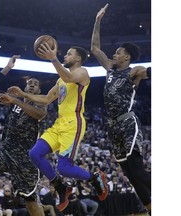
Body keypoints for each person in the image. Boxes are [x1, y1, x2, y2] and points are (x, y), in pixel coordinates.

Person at [7, 44, 108, 212]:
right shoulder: (61, 80)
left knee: (64, 168)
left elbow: (69, 77)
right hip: (59, 123)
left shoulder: (83, 72)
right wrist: (22, 95)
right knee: (34, 153)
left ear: (77, 59)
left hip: (73, 123)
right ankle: (61, 187)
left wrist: (53, 58)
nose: (65, 56)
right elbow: (46, 99)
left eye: (69, 54)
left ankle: (94, 177)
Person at [90, 3, 151, 215]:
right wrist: (97, 21)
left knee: (138, 171)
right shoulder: (109, 69)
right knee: (130, 175)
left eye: (118, 52)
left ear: (127, 57)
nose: (114, 54)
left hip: (127, 123)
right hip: (112, 127)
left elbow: (148, 72)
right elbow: (95, 48)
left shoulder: (134, 71)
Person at [0, 55, 47, 216]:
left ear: (39, 90)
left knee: (31, 202)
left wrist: (15, 100)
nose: (31, 85)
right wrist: (7, 68)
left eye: (35, 84)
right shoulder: (14, 99)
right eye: (29, 83)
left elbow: (39, 114)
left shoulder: (40, 101)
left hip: (25, 157)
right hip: (6, 149)